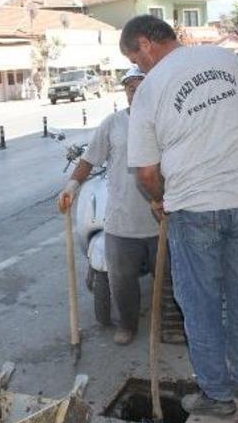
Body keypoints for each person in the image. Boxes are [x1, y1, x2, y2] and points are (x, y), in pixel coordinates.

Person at [120, 15, 238, 418]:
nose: (139, 67)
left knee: (201, 304)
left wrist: (160, 199)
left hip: (194, 207)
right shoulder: (224, 59)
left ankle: (218, 396)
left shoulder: (149, 89)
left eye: (135, 59)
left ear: (145, 44)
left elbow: (147, 173)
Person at [57, 66, 159, 346]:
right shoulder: (113, 124)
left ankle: (170, 325)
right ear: (125, 92)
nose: (135, 93)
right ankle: (127, 325)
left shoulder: (164, 120)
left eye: (141, 87)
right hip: (121, 221)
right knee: (121, 280)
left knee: (169, 279)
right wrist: (71, 187)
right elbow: (89, 160)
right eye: (130, 88)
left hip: (160, 219)